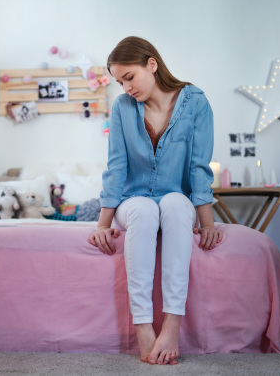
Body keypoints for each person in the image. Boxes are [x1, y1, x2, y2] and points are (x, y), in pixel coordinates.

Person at [88, 36, 223, 366]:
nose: (126, 87)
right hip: (132, 200)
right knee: (146, 210)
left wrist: (207, 223)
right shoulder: (121, 108)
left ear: (152, 64)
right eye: (120, 82)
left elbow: (198, 168)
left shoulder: (196, 103)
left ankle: (172, 325)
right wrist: (102, 225)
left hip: (177, 198)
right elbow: (117, 167)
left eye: (129, 77)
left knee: (176, 204)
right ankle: (143, 327)